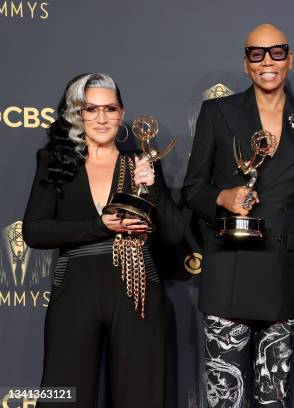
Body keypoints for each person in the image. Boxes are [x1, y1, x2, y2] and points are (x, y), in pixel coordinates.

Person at [182, 24, 294, 407]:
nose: (268, 61)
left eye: (277, 52)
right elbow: (192, 190)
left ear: (290, 59)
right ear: (246, 64)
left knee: (273, 398)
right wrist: (222, 196)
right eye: (257, 53)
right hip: (228, 270)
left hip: (285, 275)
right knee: (224, 397)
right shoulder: (217, 113)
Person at [23, 73, 183, 408]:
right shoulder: (56, 162)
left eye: (110, 109)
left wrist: (152, 186)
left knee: (141, 396)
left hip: (138, 289)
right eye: (91, 109)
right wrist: (101, 226)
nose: (101, 118)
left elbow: (174, 234)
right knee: (63, 397)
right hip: (76, 289)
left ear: (122, 114)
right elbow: (34, 231)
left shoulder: (140, 162)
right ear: (78, 114)